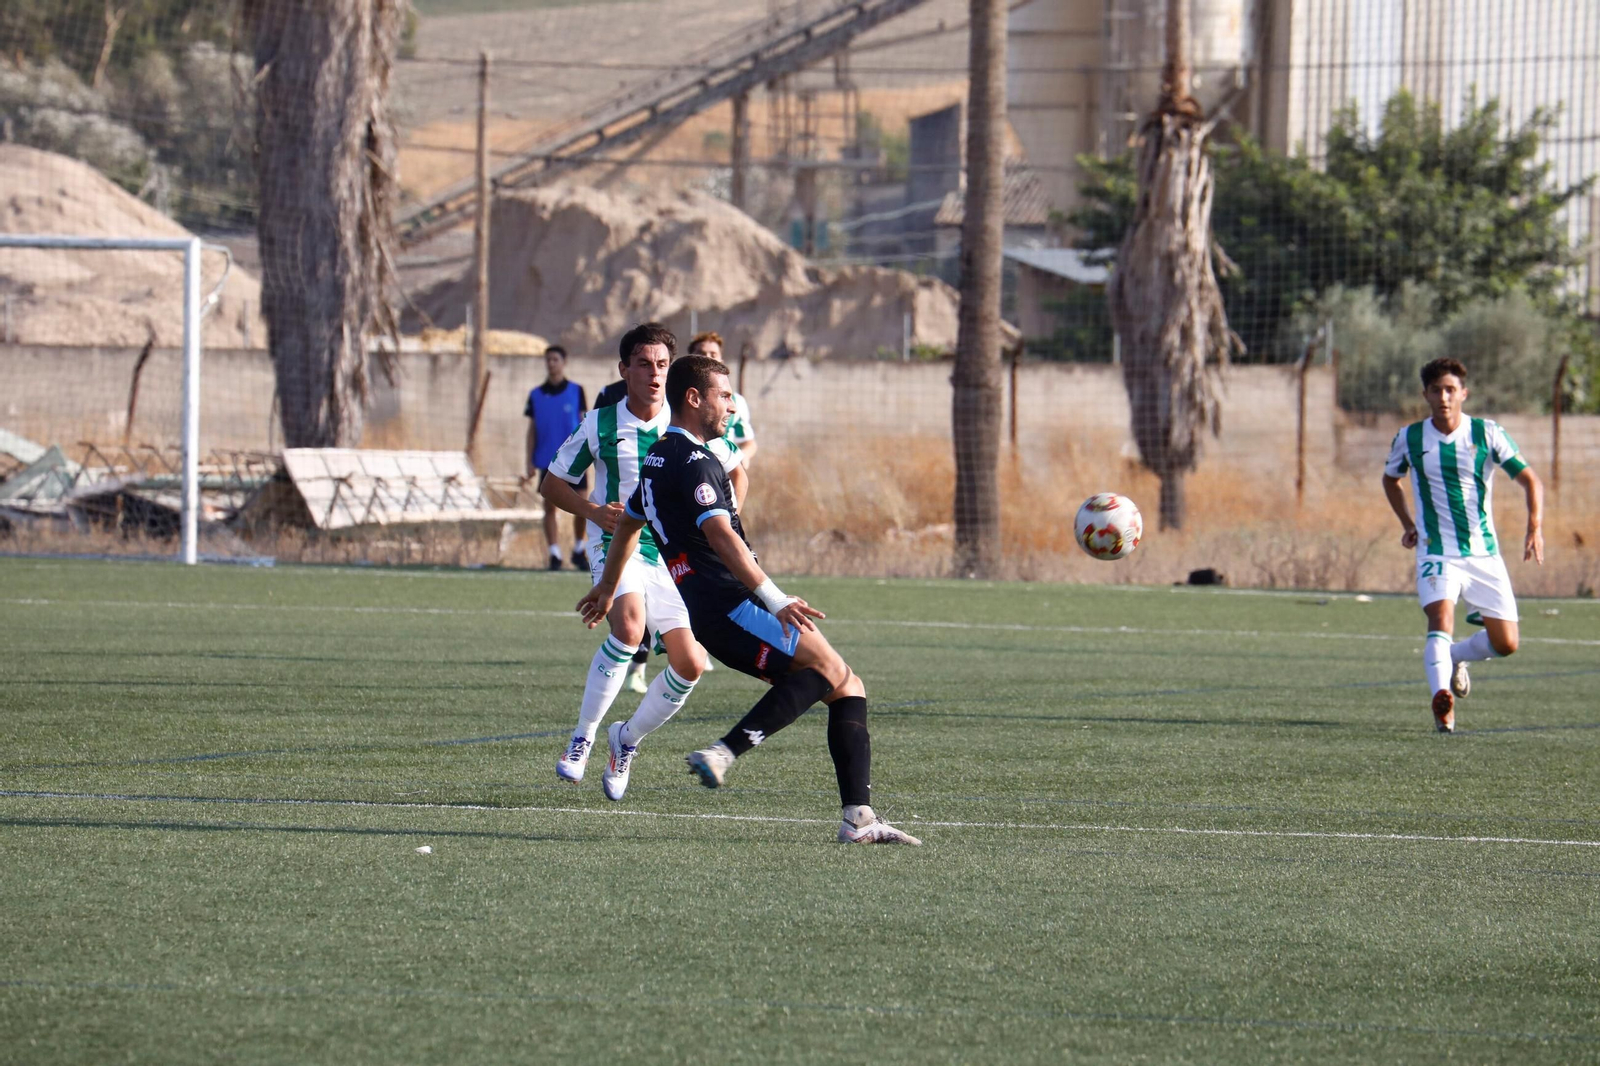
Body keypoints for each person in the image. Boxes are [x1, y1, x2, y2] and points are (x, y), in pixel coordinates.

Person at [578, 353, 920, 845]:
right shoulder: (694, 462)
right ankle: (725, 754)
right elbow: (721, 535)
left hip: (711, 612)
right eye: (722, 396)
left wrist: (608, 585)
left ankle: (859, 818)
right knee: (830, 673)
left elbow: (630, 520)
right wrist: (775, 598)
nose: (730, 407)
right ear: (693, 399)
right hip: (737, 604)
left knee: (845, 685)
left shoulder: (657, 460)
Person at [541, 324, 745, 800]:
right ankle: (583, 737)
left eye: (662, 365)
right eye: (643, 364)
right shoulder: (600, 423)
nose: (654, 374)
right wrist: (593, 511)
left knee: (691, 663)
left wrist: (726, 519)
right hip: (617, 546)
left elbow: (737, 468)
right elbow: (552, 483)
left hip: (671, 553)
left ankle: (625, 739)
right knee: (629, 629)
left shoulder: (687, 427)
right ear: (623, 370)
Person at [1381, 357, 1544, 733]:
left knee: (1506, 643)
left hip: (1483, 553)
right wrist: (1408, 524)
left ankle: (1455, 657)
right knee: (1440, 618)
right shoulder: (1410, 438)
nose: (1443, 397)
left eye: (1450, 390)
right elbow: (1391, 480)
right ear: (1425, 395)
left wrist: (1534, 527)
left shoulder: (1487, 434)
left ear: (1463, 394)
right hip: (1436, 551)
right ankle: (1443, 702)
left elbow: (1531, 480)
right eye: (1436, 390)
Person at [524, 345, 589, 571]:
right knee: (549, 508)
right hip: (548, 460)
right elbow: (532, 430)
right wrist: (529, 461)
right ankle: (554, 553)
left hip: (575, 460)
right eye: (548, 359)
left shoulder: (576, 391)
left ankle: (579, 548)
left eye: (555, 359)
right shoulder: (535, 395)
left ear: (564, 362)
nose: (551, 363)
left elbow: (584, 424)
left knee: (582, 505)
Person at [687, 331, 757, 465]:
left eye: (713, 354)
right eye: (701, 353)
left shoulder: (736, 402)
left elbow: (749, 443)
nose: (707, 358)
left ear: (721, 361)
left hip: (723, 479)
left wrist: (743, 457)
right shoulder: (674, 397)